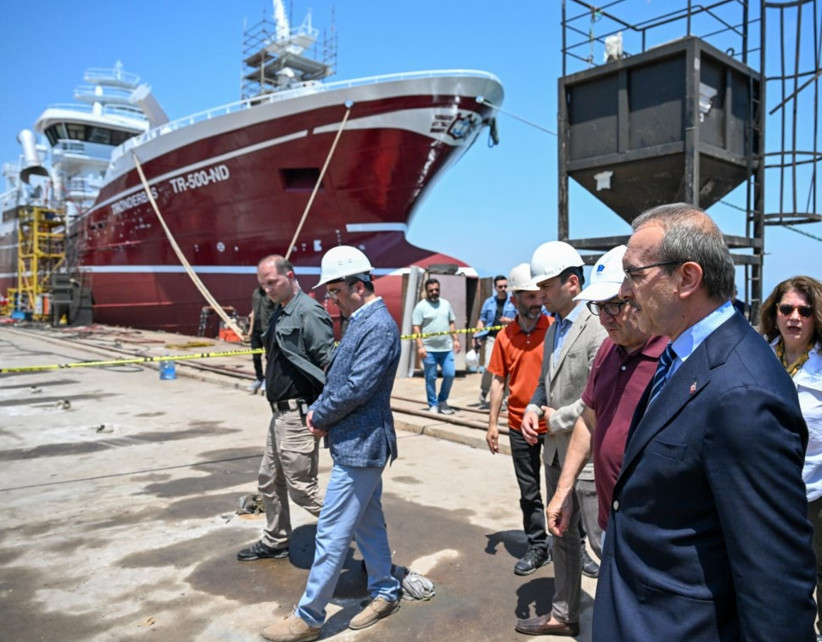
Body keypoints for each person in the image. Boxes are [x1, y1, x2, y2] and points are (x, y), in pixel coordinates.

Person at [593, 203, 817, 641]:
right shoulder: (682, 353)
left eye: (634, 275)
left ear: (687, 279)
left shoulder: (743, 393)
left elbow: (774, 581)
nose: (624, 291)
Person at [262, 246, 402, 642]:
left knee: (331, 531)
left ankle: (309, 616)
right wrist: (322, 408)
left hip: (363, 445)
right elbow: (340, 378)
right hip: (354, 442)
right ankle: (386, 590)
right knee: (369, 524)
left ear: (358, 286)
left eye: (335, 291)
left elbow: (357, 386)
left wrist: (320, 415)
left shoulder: (377, 326)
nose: (330, 299)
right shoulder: (360, 320)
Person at [543, 245, 665, 561]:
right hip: (612, 519)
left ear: (641, 298)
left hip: (655, 531)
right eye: (599, 307)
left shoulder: (672, 358)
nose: (605, 319)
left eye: (613, 306)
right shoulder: (609, 352)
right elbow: (587, 420)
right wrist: (563, 491)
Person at [516, 241, 608, 638]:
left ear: (573, 282)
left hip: (587, 459)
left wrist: (556, 419)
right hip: (555, 455)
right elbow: (544, 384)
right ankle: (564, 612)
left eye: (548, 286)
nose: (541, 295)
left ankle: (622, 622)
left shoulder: (599, 327)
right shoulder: (555, 329)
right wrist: (535, 407)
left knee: (605, 546)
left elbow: (599, 397)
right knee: (563, 539)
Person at [237, 255, 334, 562]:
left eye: (271, 282)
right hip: (278, 413)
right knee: (269, 479)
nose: (267, 290)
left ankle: (360, 527)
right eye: (262, 285)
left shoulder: (309, 311)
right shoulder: (280, 311)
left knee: (302, 489)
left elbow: (329, 365)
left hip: (298, 413)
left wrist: (323, 410)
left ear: (290, 275)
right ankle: (276, 539)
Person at [760, 276, 822, 641]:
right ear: (775, 313)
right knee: (774, 579)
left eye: (805, 310)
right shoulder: (758, 356)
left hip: (815, 492)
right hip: (766, 494)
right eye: (787, 309)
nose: (794, 317)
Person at [485, 263, 554, 575]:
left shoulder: (554, 328)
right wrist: (492, 425)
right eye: (529, 296)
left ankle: (577, 547)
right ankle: (538, 547)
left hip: (553, 425)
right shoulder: (505, 337)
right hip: (517, 426)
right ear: (514, 300)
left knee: (565, 489)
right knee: (530, 492)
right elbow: (499, 382)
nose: (537, 301)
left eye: (539, 294)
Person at [412, 277, 460, 414]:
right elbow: (416, 328)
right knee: (431, 377)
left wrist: (456, 339)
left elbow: (451, 322)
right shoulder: (421, 307)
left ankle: (442, 401)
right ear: (426, 291)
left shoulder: (445, 304)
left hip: (446, 348)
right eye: (431, 290)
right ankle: (433, 404)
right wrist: (420, 346)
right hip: (429, 350)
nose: (434, 292)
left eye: (436, 290)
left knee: (450, 374)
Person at [476, 274, 516, 409]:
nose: (503, 289)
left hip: (509, 339)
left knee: (507, 370)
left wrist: (510, 322)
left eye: (505, 286)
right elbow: (482, 319)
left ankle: (505, 398)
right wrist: (476, 334)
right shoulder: (489, 302)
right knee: (488, 366)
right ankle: (484, 390)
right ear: (495, 288)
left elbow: (522, 319)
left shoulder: (513, 301)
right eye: (500, 287)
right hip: (491, 338)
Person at [247, 284, 276, 394]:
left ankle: (268, 381)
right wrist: (250, 329)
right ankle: (259, 378)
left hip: (267, 331)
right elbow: (253, 311)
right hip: (255, 330)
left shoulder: (272, 294)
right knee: (255, 357)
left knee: (269, 357)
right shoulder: (256, 293)